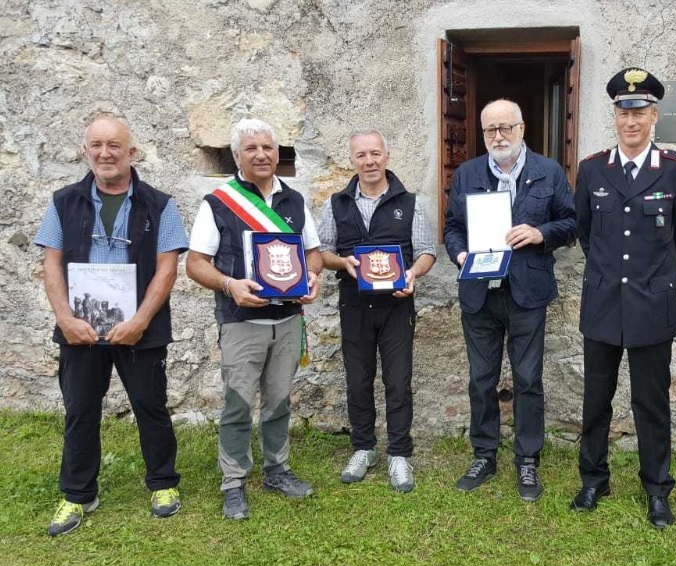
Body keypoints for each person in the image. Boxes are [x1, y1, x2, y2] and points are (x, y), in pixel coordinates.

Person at [35, 114, 189, 536]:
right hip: (79, 331)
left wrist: (140, 320)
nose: (105, 153)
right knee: (80, 411)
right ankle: (78, 495)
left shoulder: (161, 204)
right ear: (86, 150)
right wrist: (65, 319)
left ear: (131, 152)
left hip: (141, 330)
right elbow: (50, 264)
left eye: (114, 145)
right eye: (97, 145)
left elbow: (167, 269)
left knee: (151, 407)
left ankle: (162, 484)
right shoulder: (62, 201)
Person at [571, 67, 676, 529]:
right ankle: (593, 479)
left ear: (654, 116)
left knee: (651, 402)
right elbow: (586, 232)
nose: (631, 121)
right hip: (604, 302)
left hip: (652, 305)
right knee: (596, 399)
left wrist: (655, 280)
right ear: (615, 116)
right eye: (624, 112)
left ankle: (657, 489)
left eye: (640, 112)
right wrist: (613, 275)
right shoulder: (591, 169)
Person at [185, 118, 322, 520]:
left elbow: (312, 252)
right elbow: (195, 264)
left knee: (279, 402)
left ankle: (277, 470)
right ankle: (233, 482)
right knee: (238, 404)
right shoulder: (218, 203)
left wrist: (312, 275)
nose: (261, 155)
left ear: (278, 153)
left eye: (267, 147)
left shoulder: (294, 201)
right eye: (251, 149)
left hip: (288, 320)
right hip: (241, 321)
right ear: (236, 156)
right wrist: (230, 285)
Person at [443, 99, 576, 502]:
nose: (498, 136)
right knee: (481, 380)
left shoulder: (548, 171)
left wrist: (540, 234)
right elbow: (452, 228)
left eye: (505, 128)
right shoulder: (467, 173)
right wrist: (461, 254)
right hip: (479, 294)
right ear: (482, 134)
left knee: (528, 379)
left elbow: (571, 223)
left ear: (522, 129)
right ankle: (484, 454)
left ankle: (528, 459)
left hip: (526, 293)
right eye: (490, 130)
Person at [318, 129, 436, 493]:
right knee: (357, 380)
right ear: (351, 160)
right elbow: (321, 252)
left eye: (375, 154)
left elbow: (427, 251)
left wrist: (413, 274)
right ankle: (364, 448)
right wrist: (342, 262)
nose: (369, 161)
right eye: (361, 156)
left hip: (398, 305)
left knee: (398, 381)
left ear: (386, 156)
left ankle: (399, 454)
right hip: (354, 304)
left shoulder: (411, 203)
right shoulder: (336, 203)